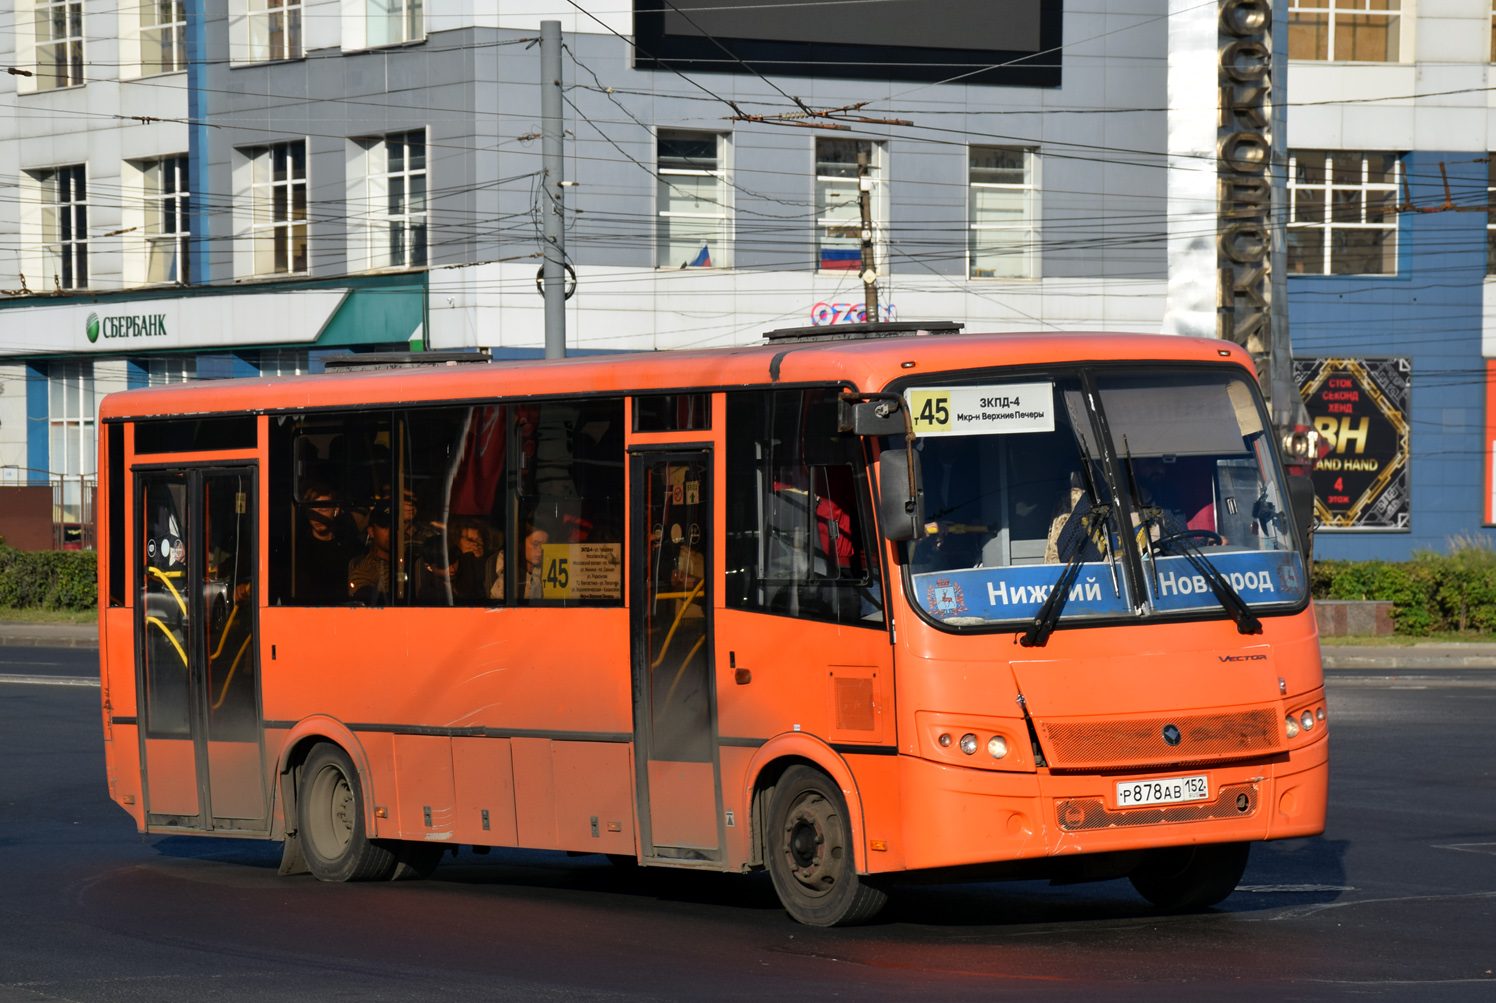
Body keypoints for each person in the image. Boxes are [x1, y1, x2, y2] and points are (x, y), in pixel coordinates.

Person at [294, 482, 358, 605]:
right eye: (312, 512)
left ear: (336, 510)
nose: (317, 517)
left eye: (323, 510)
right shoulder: (298, 550)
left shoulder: (349, 549)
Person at [348, 505, 392, 604]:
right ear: (371, 532)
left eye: (396, 526)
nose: (391, 532)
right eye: (384, 526)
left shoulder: (410, 560)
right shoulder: (365, 572)